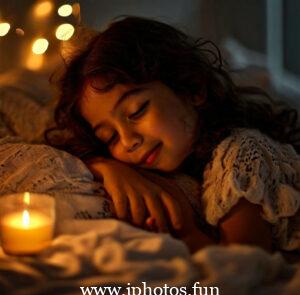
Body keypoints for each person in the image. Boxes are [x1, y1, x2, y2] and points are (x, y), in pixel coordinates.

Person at [45, 16, 300, 254]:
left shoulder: (242, 152)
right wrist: (106, 167)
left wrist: (186, 233)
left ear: (192, 89)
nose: (128, 141)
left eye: (137, 111)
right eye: (109, 137)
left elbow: (245, 266)